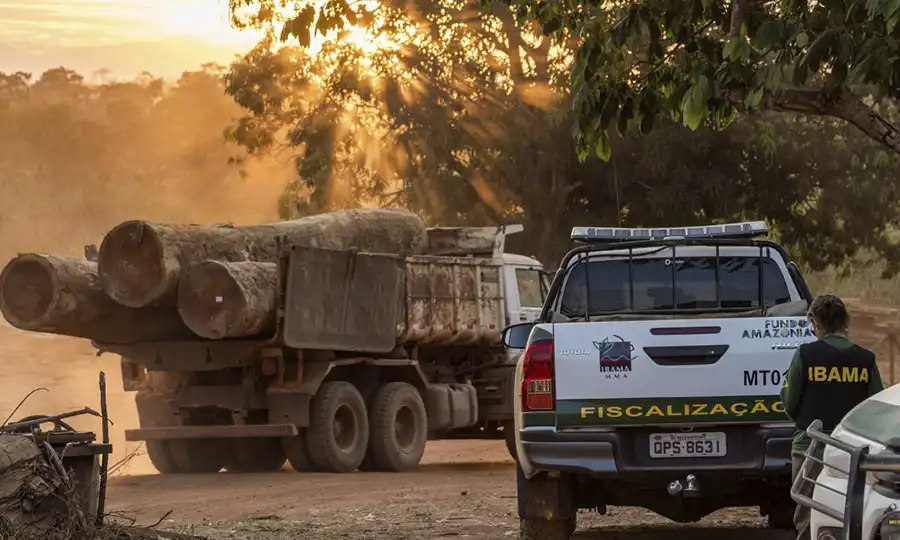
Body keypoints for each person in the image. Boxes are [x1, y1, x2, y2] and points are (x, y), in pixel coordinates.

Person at [780, 294, 884, 539]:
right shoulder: (865, 359)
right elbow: (875, 404)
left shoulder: (805, 355)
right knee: (852, 511)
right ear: (844, 322)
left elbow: (788, 400)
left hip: (809, 445)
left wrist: (803, 422)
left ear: (815, 324)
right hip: (852, 451)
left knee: (808, 513)